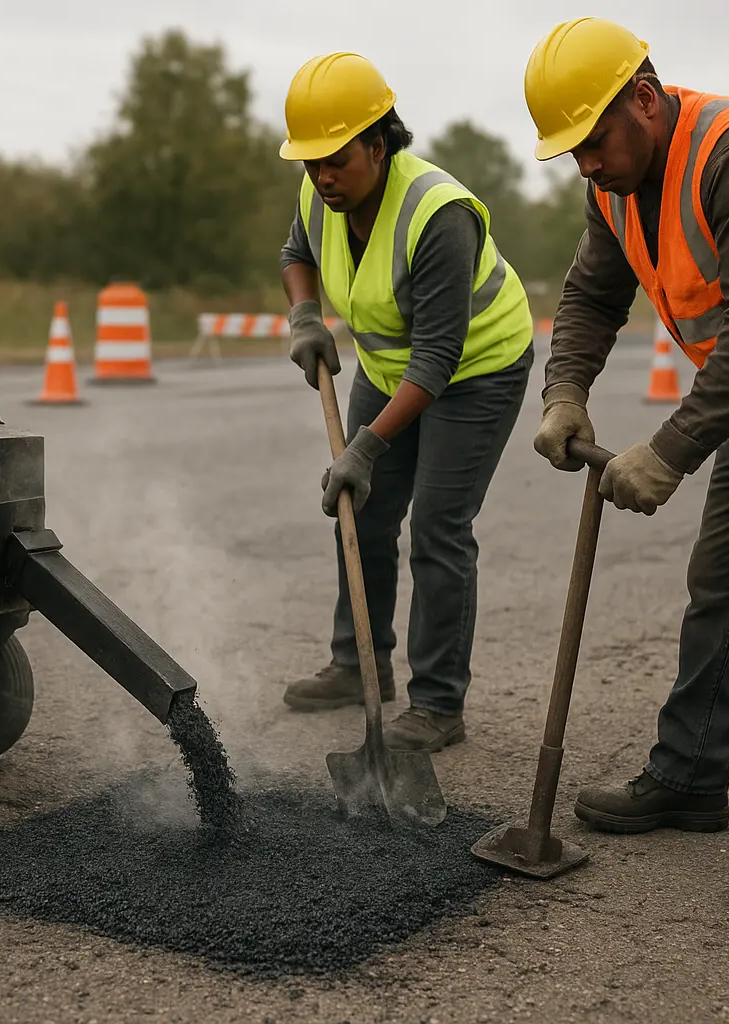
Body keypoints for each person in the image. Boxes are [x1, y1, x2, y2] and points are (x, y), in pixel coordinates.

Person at [524, 17, 729, 909]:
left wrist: (669, 451)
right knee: (725, 589)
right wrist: (565, 391)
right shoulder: (616, 185)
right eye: (572, 153)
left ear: (645, 97)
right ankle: (692, 777)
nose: (586, 165)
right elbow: (593, 291)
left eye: (593, 142)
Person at [277, 52, 535, 752]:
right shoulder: (319, 196)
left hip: (477, 370)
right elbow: (295, 253)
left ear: (379, 142)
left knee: (439, 529)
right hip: (393, 370)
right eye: (312, 164)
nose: (324, 177)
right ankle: (357, 664)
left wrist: (367, 445)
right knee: (357, 511)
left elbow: (439, 359)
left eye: (337, 160)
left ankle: (439, 705)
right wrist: (306, 317)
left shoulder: (439, 216)